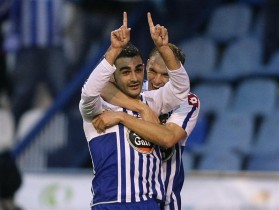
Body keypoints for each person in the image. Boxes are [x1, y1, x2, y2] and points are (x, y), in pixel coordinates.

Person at [79, 12, 190, 209]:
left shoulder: (151, 101)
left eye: (138, 70)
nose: (134, 78)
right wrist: (113, 50)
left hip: (147, 203)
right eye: (125, 72)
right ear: (112, 76)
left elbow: (181, 88)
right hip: (109, 203)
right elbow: (89, 91)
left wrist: (163, 48)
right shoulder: (98, 108)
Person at [93, 44, 200, 210]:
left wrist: (122, 116)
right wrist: (141, 108)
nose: (157, 81)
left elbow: (168, 138)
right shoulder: (135, 89)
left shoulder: (187, 101)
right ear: (146, 65)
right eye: (152, 71)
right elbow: (99, 86)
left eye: (166, 75)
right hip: (134, 196)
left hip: (166, 196)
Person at [7, 0, 67, 126]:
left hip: (54, 44)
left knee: (63, 94)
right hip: (28, 46)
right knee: (22, 95)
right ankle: (16, 138)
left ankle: (72, 138)